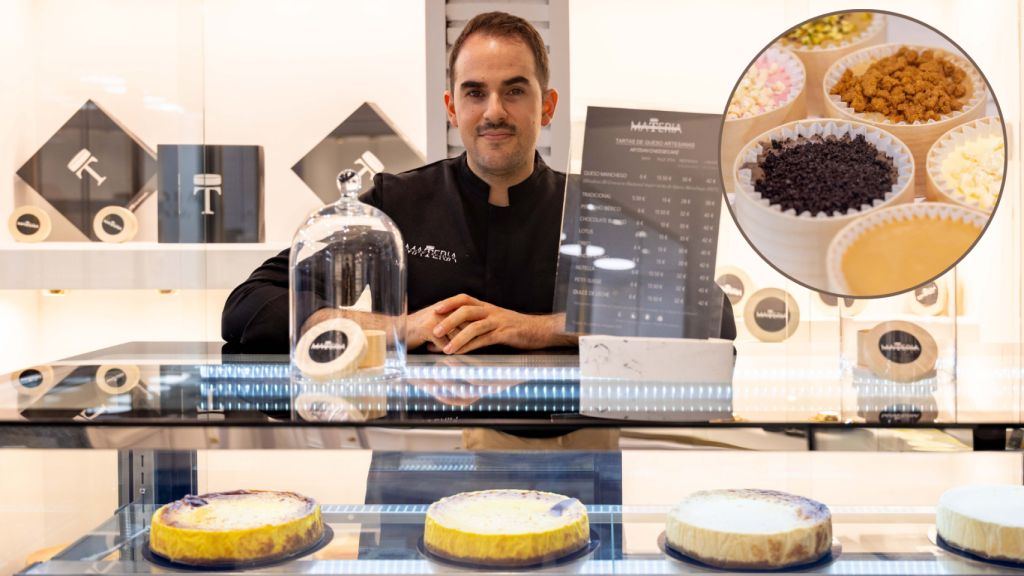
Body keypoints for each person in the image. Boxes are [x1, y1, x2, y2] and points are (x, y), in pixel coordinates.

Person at [222, 11, 734, 355]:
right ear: (452, 109)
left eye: (514, 90)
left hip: (572, 457)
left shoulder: (596, 208)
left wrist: (536, 328)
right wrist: (403, 329)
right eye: (474, 93)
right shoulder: (393, 203)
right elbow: (248, 307)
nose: (494, 112)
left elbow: (713, 314)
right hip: (422, 456)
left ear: (546, 106)